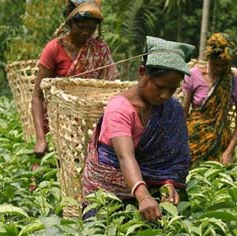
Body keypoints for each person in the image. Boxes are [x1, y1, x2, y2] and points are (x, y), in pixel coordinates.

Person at [82, 36, 194, 221]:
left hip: (151, 185)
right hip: (109, 190)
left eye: (172, 89)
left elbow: (174, 159)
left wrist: (168, 183)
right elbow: (125, 156)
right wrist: (143, 196)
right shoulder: (119, 108)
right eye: (160, 86)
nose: (165, 95)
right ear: (142, 72)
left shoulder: (172, 109)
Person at [31, 0, 120, 158]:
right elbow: (37, 97)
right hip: (58, 125)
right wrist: (40, 139)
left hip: (90, 125)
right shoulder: (54, 49)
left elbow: (110, 87)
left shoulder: (100, 50)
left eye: (91, 29)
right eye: (81, 27)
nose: (86, 33)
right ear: (70, 22)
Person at [183, 32, 237, 165]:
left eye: (224, 65)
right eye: (215, 64)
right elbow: (183, 113)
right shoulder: (193, 75)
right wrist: (180, 141)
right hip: (193, 137)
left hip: (221, 140)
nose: (219, 69)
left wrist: (229, 151)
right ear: (209, 59)